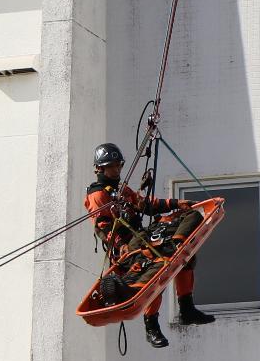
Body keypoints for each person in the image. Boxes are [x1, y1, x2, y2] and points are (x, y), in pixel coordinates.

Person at [85, 142, 215, 348]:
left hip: (143, 237)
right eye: (112, 166)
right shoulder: (98, 195)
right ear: (100, 168)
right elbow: (103, 227)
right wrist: (121, 246)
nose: (117, 170)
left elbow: (146, 205)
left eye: (119, 165)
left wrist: (175, 204)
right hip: (128, 248)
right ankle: (151, 326)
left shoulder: (121, 190)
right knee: (157, 276)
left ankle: (186, 308)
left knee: (187, 248)